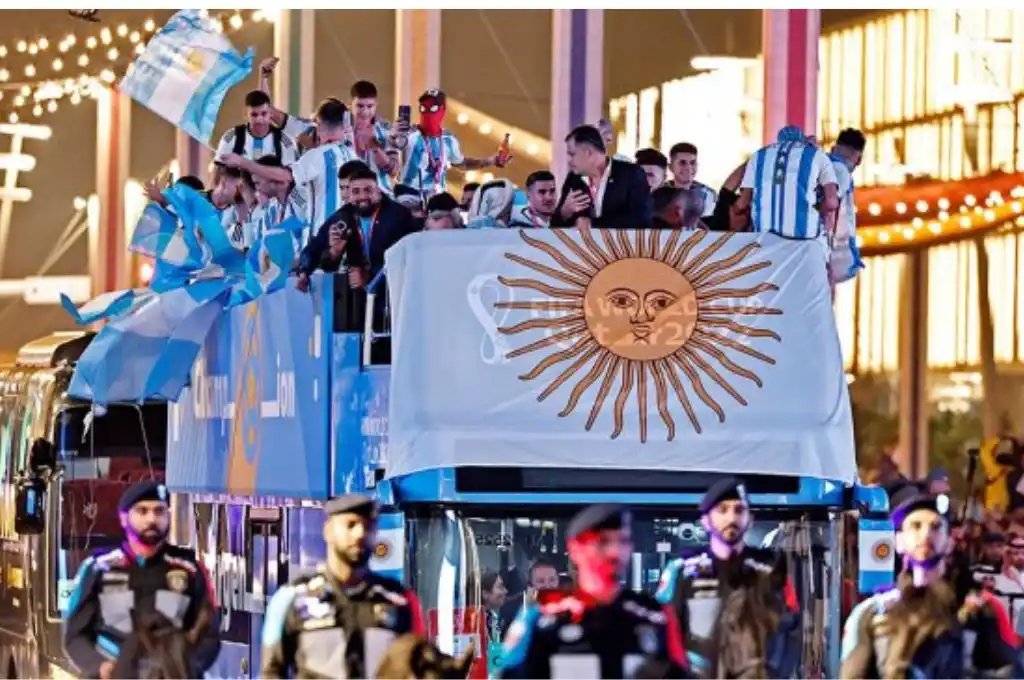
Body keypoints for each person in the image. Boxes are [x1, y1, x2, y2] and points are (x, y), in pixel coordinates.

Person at [498, 503, 689, 679]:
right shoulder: (542, 617)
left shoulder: (656, 617)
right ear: (575, 549)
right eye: (603, 541)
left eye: (622, 541)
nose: (615, 552)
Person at [841, 491, 1017, 678]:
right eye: (916, 526)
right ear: (898, 541)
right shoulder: (873, 613)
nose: (925, 534)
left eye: (935, 526)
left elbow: (1008, 671)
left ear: (950, 542)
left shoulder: (976, 612)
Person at [63, 481, 220, 680]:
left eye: (159, 511)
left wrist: (186, 664)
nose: (152, 519)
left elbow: (210, 635)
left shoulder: (189, 570)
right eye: (142, 511)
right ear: (123, 518)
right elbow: (75, 635)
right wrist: (100, 666)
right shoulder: (98, 568)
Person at [261, 494, 426, 678]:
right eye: (351, 524)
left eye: (368, 526)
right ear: (328, 531)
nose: (360, 533)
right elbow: (272, 672)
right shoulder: (291, 599)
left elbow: (419, 669)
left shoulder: (401, 603)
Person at [655, 478, 796, 679]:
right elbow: (663, 631)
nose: (732, 517)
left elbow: (790, 631)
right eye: (722, 510)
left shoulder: (770, 569)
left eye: (739, 510)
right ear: (705, 520)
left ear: (750, 518)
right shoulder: (681, 570)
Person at [223, 99, 357, 241]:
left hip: (322, 241)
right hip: (347, 240)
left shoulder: (319, 155)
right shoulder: (353, 156)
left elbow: (286, 176)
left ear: (318, 125)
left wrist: (243, 162)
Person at [296, 165, 420, 291]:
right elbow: (317, 246)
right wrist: (306, 270)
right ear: (349, 195)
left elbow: (405, 259)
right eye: (356, 191)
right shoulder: (344, 216)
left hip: (394, 293)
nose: (362, 196)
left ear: (379, 191)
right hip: (359, 298)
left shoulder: (398, 215)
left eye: (368, 190)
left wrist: (370, 276)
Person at [394, 88, 508, 198]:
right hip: (408, 197)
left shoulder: (448, 139)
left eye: (432, 108)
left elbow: (462, 164)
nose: (427, 112)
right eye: (423, 108)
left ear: (443, 110)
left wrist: (490, 161)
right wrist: (394, 135)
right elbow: (398, 143)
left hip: (436, 202)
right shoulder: (410, 134)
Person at [735, 125, 838, 240]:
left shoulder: (758, 155)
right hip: (804, 240)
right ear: (803, 141)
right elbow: (831, 203)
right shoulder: (817, 155)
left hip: (764, 239)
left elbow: (743, 203)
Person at [550, 125, 652, 230]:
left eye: (572, 154)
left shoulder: (631, 174)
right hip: (581, 246)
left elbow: (642, 219)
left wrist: (593, 224)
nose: (569, 161)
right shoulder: (574, 178)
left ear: (588, 153)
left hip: (623, 245)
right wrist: (564, 212)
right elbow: (553, 228)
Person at [827, 128, 867, 286]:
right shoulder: (840, 171)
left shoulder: (817, 164)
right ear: (859, 160)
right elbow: (829, 208)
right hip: (825, 255)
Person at [667, 143, 717, 217]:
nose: (688, 168)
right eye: (682, 163)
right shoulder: (659, 194)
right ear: (670, 167)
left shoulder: (708, 195)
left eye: (693, 163)